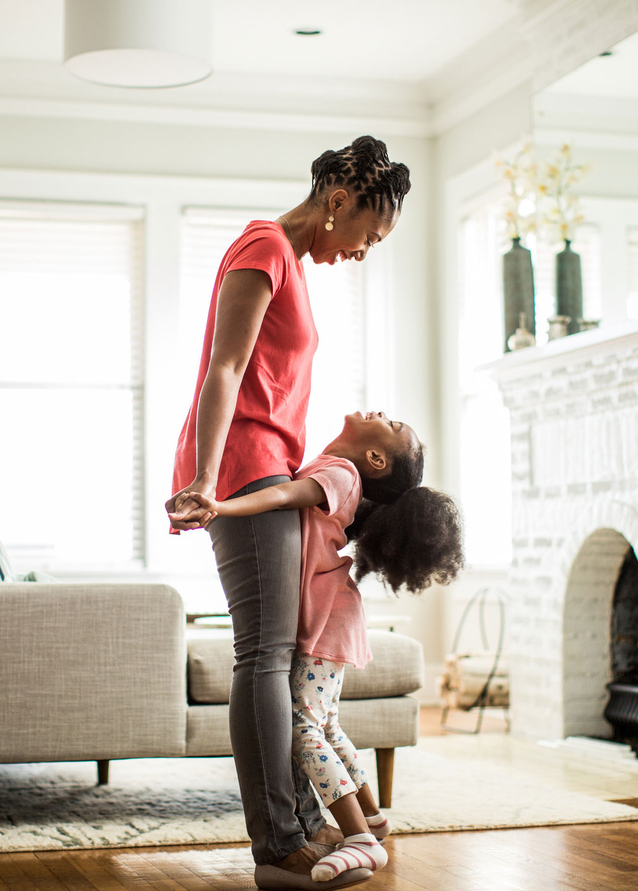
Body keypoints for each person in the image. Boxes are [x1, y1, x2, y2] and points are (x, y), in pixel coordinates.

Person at [166, 137, 411, 891]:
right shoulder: (265, 244)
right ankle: (277, 838)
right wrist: (209, 479)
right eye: (368, 235)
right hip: (243, 468)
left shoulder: (290, 263)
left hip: (262, 467)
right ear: (339, 203)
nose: (364, 251)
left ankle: (295, 825)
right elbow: (225, 368)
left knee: (270, 656)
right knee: (265, 658)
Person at [172, 410, 464, 884]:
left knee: (304, 728)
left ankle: (360, 839)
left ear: (374, 458)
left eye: (392, 426)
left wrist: (221, 506)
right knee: (323, 723)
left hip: (328, 620)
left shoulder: (341, 473)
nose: (381, 415)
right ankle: (370, 816)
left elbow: (285, 495)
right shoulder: (340, 469)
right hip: (333, 617)